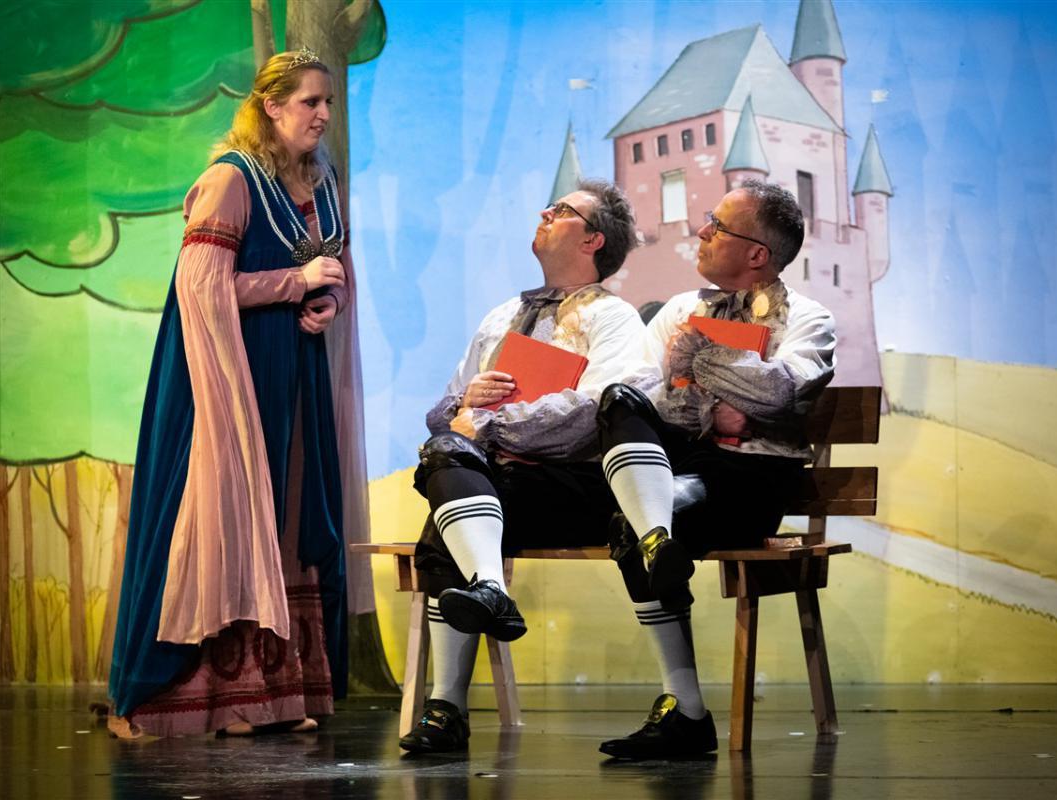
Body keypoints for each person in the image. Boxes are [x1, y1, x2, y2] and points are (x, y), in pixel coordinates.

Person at [107, 48, 362, 738]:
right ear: (271, 106)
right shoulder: (231, 179)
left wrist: (327, 303)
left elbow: (333, 266)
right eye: (310, 101)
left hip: (296, 370)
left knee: (286, 516)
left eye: (328, 102)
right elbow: (200, 287)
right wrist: (295, 283)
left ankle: (271, 697)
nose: (323, 114)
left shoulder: (321, 181)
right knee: (221, 514)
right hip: (229, 373)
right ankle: (188, 698)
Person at [398, 179, 656, 754]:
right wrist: (468, 402)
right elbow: (446, 414)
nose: (544, 211)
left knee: (448, 515)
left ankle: (447, 705)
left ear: (592, 239)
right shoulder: (503, 315)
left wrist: (490, 421)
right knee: (450, 474)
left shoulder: (613, 318)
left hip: (572, 485)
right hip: (498, 481)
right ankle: (481, 616)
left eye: (561, 210)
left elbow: (593, 413)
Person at [595, 180, 836, 760]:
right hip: (682, 465)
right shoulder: (680, 309)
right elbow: (639, 391)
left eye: (718, 225)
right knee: (635, 510)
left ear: (756, 254)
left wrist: (697, 357)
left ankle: (685, 714)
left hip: (753, 479)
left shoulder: (809, 318)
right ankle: (686, 710)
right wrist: (714, 404)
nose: (702, 230)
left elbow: (780, 391)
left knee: (643, 516)